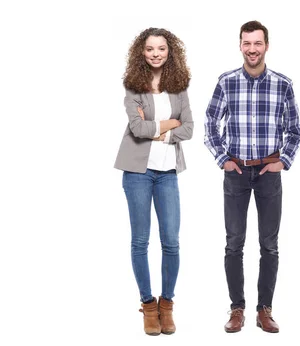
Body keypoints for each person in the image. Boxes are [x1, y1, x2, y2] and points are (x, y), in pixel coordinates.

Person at [204, 20, 300, 334]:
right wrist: (223, 159)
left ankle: (265, 309)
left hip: (268, 172)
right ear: (240, 45)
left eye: (257, 43)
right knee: (234, 243)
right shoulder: (227, 82)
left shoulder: (283, 84)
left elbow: (296, 131)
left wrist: (283, 161)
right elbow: (209, 123)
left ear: (266, 46)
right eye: (247, 43)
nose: (252, 49)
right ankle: (237, 309)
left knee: (269, 245)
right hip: (235, 171)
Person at [114, 27, 193, 336]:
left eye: (161, 48)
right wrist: (169, 124)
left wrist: (162, 129)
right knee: (140, 241)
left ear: (170, 51)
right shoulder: (133, 85)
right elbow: (136, 128)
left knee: (171, 242)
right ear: (142, 52)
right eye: (150, 49)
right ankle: (148, 305)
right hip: (137, 172)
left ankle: (167, 305)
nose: (156, 53)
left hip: (168, 173)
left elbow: (189, 127)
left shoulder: (179, 86)